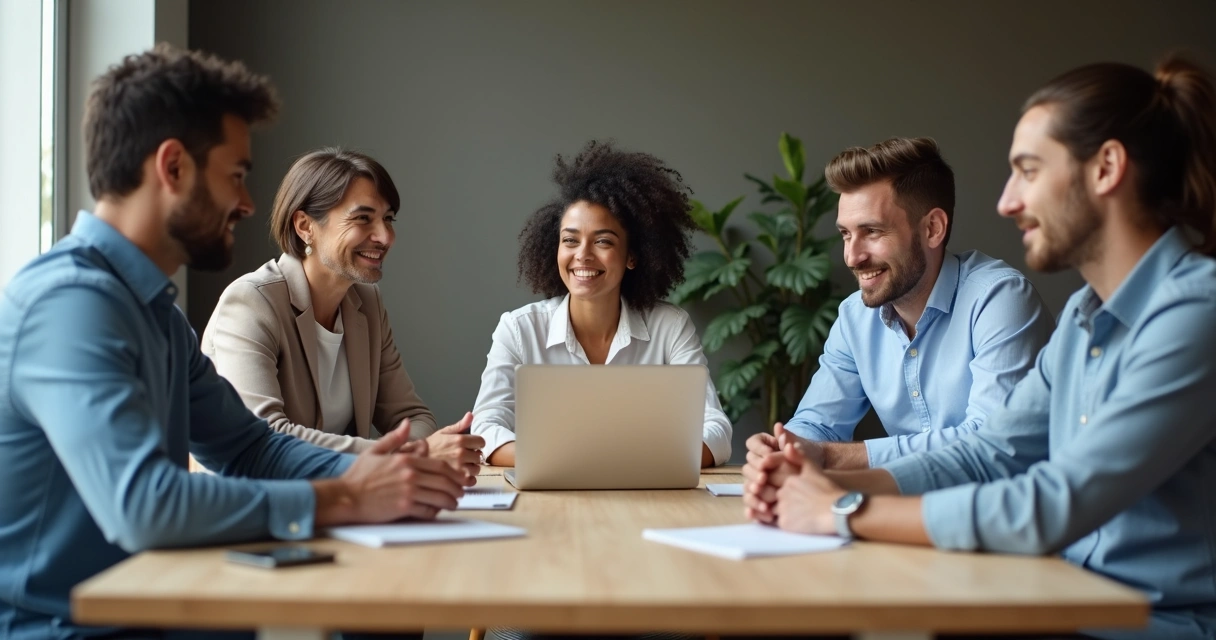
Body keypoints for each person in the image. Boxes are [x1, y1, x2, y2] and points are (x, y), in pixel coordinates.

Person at [0, 45, 471, 640]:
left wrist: (380, 471)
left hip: (154, 608)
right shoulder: (69, 303)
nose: (247, 204)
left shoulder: (155, 314)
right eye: (237, 176)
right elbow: (144, 506)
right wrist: (346, 497)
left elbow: (250, 448)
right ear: (172, 168)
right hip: (62, 627)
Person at [744, 55, 1216, 640]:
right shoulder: (1082, 316)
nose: (1007, 202)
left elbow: (1054, 502)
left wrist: (843, 510)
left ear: (1106, 168)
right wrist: (820, 482)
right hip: (1057, 603)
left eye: (1028, 170)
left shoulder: (1196, 313)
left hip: (1155, 625)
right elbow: (990, 454)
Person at [746, 137, 1053, 471]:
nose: (853, 256)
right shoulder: (854, 318)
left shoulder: (999, 299)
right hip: (908, 510)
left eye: (872, 232)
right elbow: (816, 423)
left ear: (932, 229)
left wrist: (828, 455)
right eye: (846, 234)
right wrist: (784, 450)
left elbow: (992, 443)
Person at [201, 148, 483, 473]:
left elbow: (412, 416)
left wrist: (416, 449)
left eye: (388, 219)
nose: (385, 236)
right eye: (363, 218)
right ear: (305, 226)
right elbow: (265, 436)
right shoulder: (251, 303)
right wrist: (410, 454)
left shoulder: (367, 302)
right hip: (264, 507)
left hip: (346, 501)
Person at [472, 140, 732, 469]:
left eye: (603, 241)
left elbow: (716, 431)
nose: (582, 255)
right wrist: (581, 463)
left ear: (633, 256)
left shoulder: (670, 327)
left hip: (644, 497)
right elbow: (485, 430)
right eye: (570, 240)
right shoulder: (519, 329)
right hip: (552, 496)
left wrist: (614, 464)